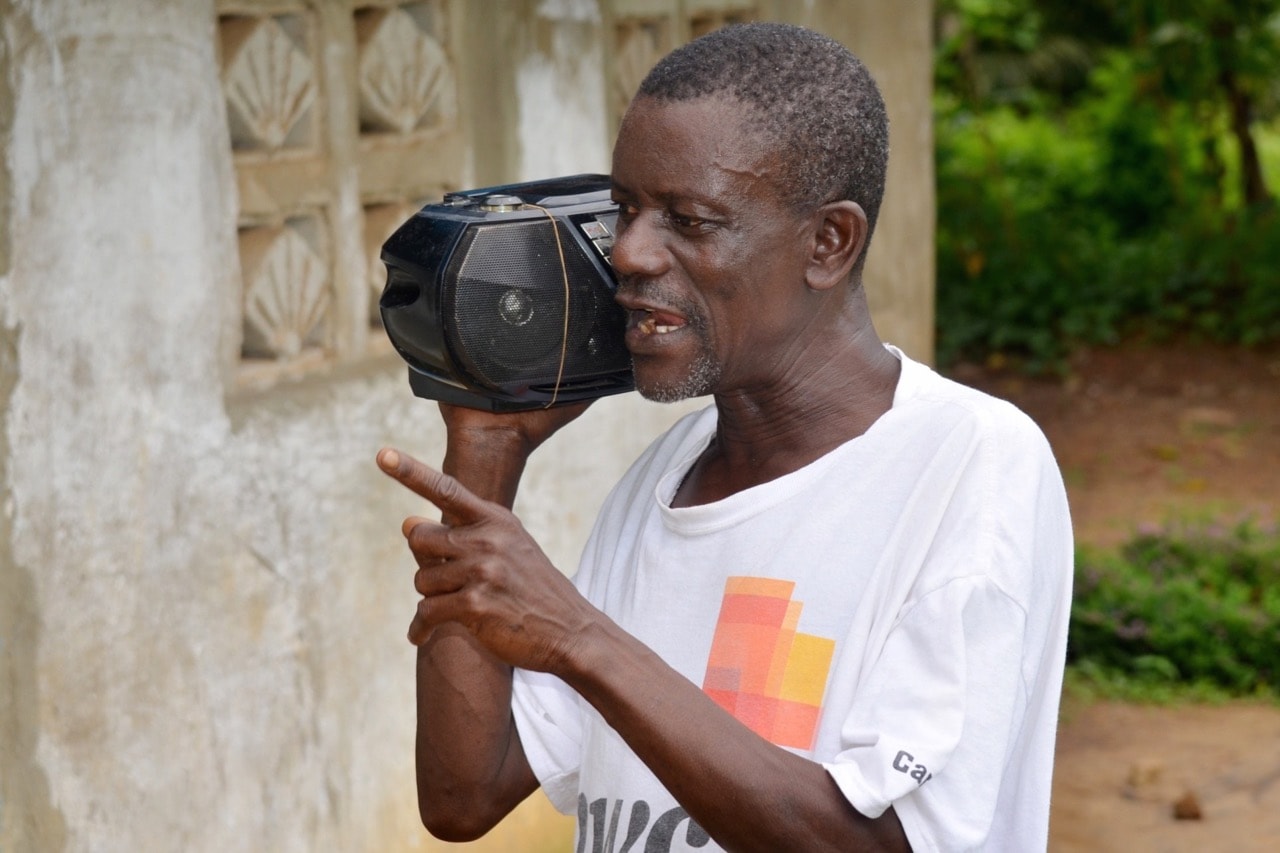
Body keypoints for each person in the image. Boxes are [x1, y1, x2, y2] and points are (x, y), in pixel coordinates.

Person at [377, 22, 1073, 853]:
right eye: (627, 207)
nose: (631, 252)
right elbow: (464, 794)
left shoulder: (969, 465)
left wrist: (578, 636)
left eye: (691, 220)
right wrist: (489, 449)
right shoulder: (662, 480)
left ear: (829, 243)